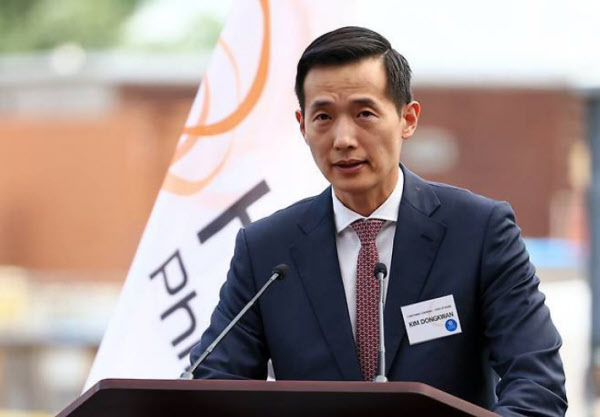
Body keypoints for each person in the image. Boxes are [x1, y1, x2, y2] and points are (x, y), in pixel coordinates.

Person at [190, 26, 567, 416]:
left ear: (408, 118)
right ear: (302, 126)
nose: (343, 139)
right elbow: (215, 382)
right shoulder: (266, 250)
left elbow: (537, 384)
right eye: (323, 117)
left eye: (364, 114)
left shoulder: (479, 231)